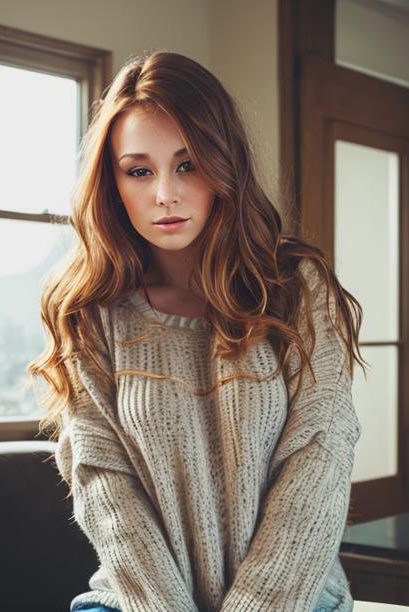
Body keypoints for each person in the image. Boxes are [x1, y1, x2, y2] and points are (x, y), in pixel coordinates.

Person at [28, 50, 367, 612]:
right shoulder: (86, 309)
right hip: (138, 602)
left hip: (296, 598)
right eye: (139, 170)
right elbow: (103, 484)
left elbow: (320, 461)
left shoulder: (295, 289)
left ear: (224, 163)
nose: (165, 192)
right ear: (112, 184)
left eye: (188, 164)